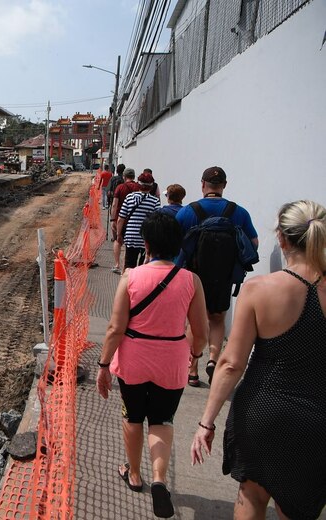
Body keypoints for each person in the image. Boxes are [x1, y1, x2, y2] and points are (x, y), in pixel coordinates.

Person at [191, 200, 326, 520]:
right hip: (316, 420)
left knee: (252, 494)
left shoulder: (259, 289)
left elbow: (231, 364)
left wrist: (206, 422)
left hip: (262, 412)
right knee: (298, 507)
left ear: (282, 239)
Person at [97, 212, 208, 519]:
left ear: (146, 244)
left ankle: (134, 474)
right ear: (178, 244)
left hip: (133, 359)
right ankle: (159, 478)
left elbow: (115, 328)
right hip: (172, 361)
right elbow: (200, 332)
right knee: (161, 421)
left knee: (133, 417)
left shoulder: (131, 277)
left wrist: (103, 364)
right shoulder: (191, 281)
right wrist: (195, 355)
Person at [176, 166, 258, 386]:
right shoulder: (238, 212)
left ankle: (192, 369)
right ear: (224, 185)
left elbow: (175, 243)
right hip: (224, 276)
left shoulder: (189, 211)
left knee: (195, 321)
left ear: (203, 184)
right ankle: (213, 359)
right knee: (218, 318)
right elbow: (253, 243)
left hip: (194, 276)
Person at [117, 171, 161, 271]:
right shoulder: (155, 201)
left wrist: (119, 234)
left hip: (131, 236)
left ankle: (127, 280)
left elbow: (121, 218)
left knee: (129, 265)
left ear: (138, 184)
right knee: (143, 267)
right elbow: (156, 221)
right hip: (146, 238)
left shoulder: (130, 197)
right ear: (151, 186)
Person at [110, 168, 139, 274]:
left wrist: (113, 219)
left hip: (120, 218)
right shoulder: (138, 187)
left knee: (118, 241)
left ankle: (117, 264)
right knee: (130, 245)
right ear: (134, 176)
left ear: (124, 176)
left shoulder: (120, 187)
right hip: (134, 220)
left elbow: (114, 204)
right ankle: (128, 267)